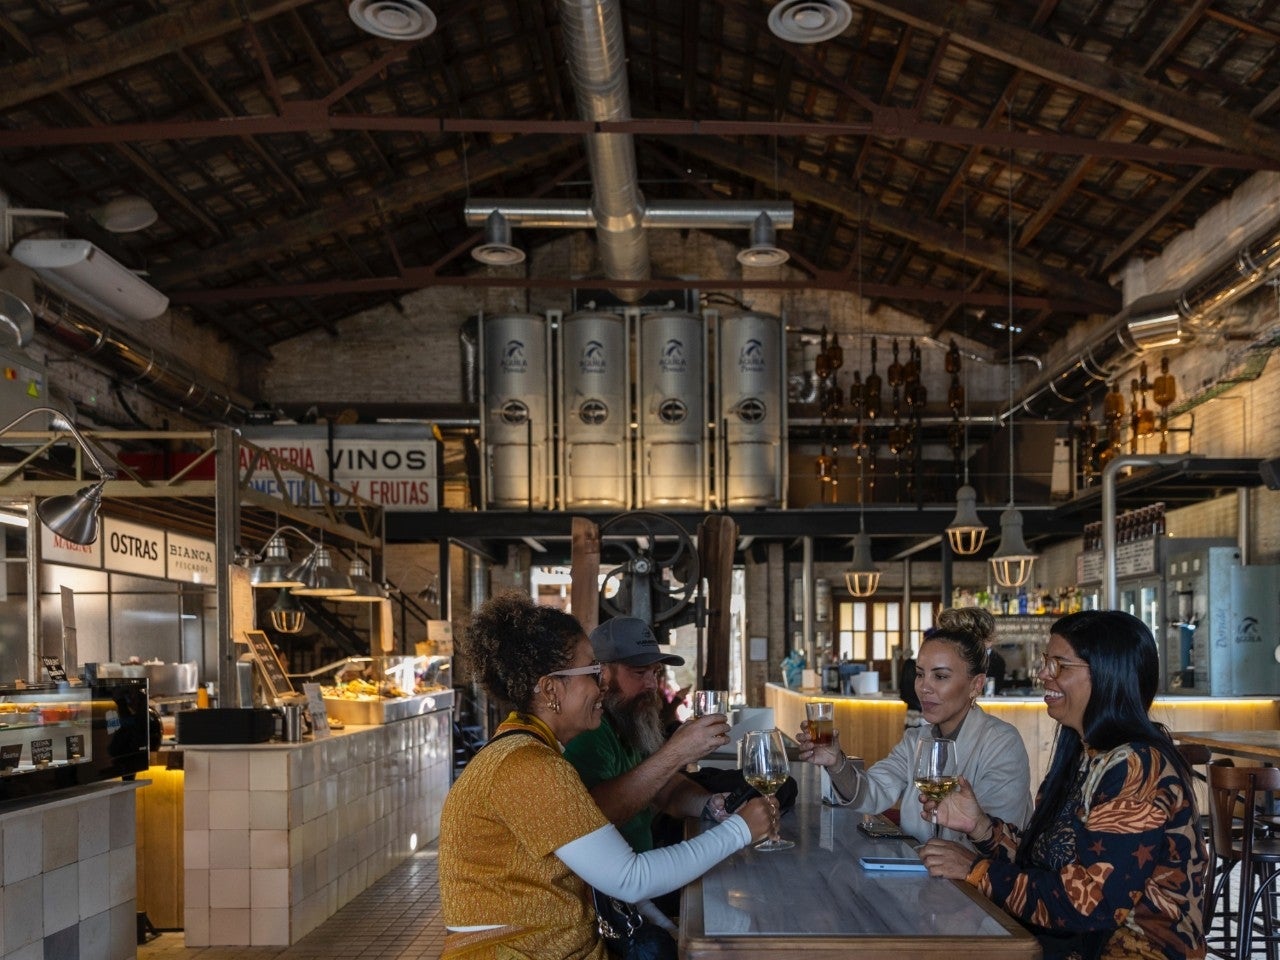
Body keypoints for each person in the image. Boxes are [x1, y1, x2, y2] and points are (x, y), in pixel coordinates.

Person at [439, 594, 774, 960]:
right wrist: (741, 829)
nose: (601, 687)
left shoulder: (531, 752)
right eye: (592, 673)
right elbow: (630, 878)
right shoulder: (527, 766)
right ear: (551, 689)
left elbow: (601, 873)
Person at [917, 610, 1207, 960]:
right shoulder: (1085, 755)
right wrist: (980, 827)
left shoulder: (1136, 767)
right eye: (1045, 662)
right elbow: (1047, 862)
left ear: (1107, 675)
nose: (1043, 675)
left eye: (1060, 665)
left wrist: (976, 870)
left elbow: (1089, 904)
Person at [797, 607, 1032, 845]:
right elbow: (871, 792)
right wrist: (836, 763)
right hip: (922, 876)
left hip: (974, 881)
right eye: (920, 674)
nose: (924, 687)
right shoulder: (915, 740)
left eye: (940, 676)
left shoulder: (1001, 743)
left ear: (976, 684)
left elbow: (1003, 841)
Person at [564, 617, 732, 856]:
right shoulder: (588, 730)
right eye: (640, 672)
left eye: (655, 672)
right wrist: (676, 752)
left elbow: (665, 789)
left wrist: (711, 805)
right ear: (602, 673)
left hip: (645, 870)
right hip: (612, 888)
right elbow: (595, 818)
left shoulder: (629, 721)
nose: (652, 685)